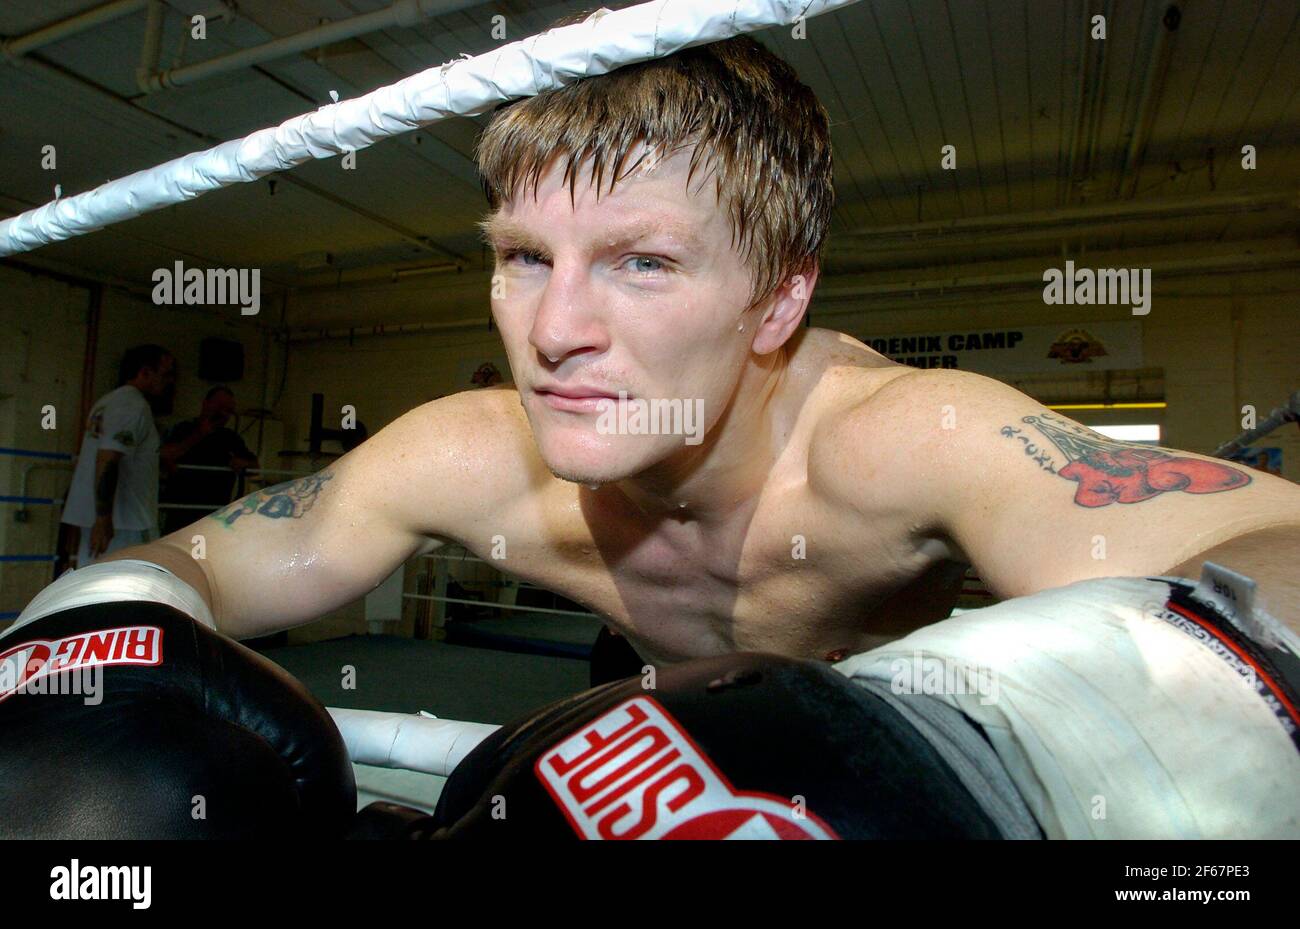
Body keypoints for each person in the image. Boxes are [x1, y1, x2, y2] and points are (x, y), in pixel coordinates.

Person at [8, 37, 1299, 838]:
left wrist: (1037, 744)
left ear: (779, 298)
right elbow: (197, 567)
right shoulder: (472, 453)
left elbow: (1274, 544)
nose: (555, 328)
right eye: (523, 256)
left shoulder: (900, 442)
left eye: (640, 262)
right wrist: (96, 644)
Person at [59, 344, 177, 566]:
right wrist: (103, 518)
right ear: (145, 372)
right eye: (166, 374)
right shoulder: (132, 406)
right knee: (127, 586)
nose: (170, 381)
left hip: (110, 520)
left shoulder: (108, 402)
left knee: (96, 582)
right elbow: (108, 459)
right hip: (125, 522)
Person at [159, 386, 259, 535]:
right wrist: (200, 434)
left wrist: (242, 463)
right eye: (219, 406)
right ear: (206, 404)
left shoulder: (230, 437)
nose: (223, 413)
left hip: (214, 515)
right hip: (181, 511)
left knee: (204, 555)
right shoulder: (183, 429)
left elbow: (255, 467)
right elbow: (166, 455)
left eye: (228, 410)